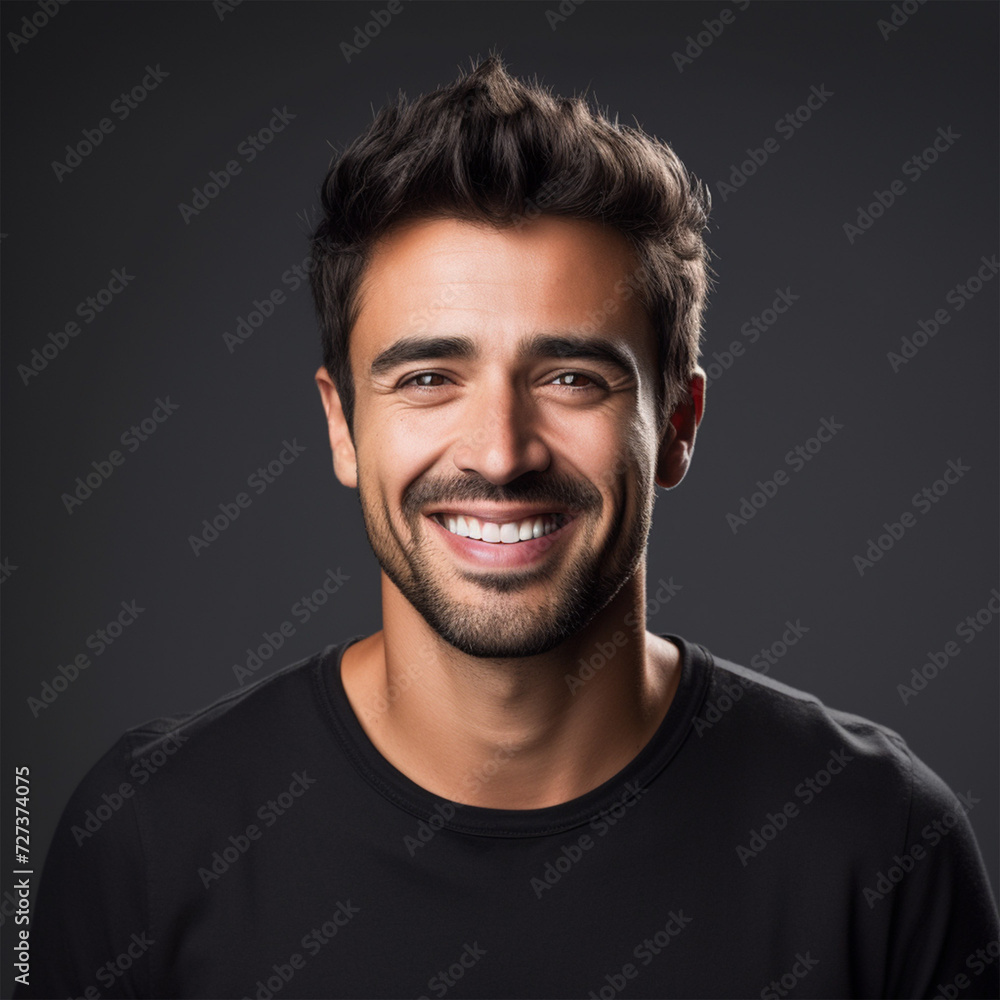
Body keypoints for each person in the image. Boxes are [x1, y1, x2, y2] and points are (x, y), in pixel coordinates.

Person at [20, 56, 998, 1000]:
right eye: (428, 378)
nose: (499, 453)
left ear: (678, 424)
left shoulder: (881, 842)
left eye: (571, 377)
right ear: (341, 425)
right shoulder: (144, 838)